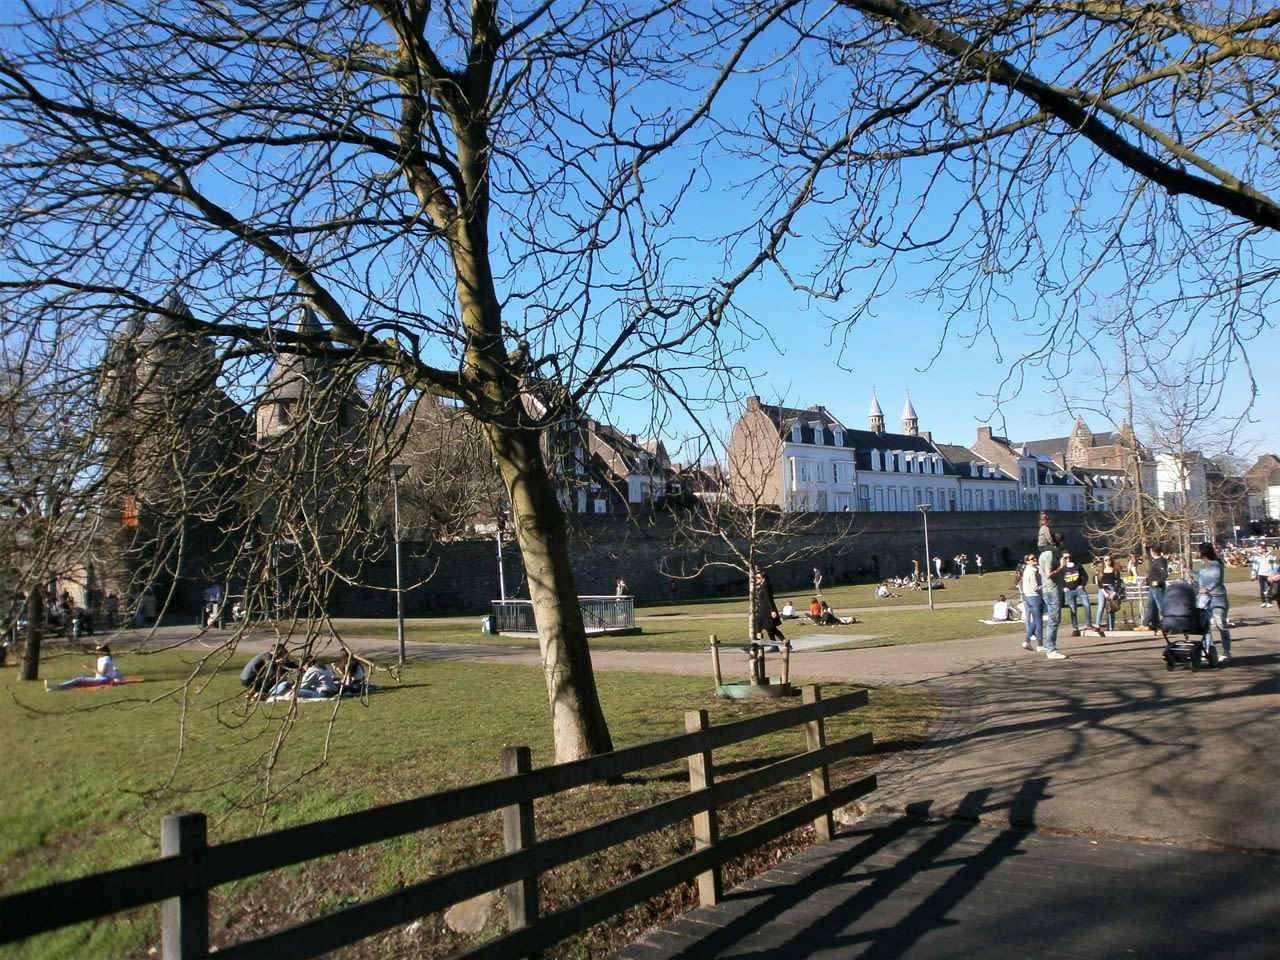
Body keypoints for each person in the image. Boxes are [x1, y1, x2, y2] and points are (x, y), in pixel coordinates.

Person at [1197, 542, 1233, 663]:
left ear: (1204, 551)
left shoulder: (1216, 564)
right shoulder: (1202, 564)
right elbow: (1201, 578)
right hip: (1204, 598)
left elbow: (1216, 579)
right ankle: (1206, 650)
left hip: (1218, 598)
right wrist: (1189, 572)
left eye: (1199, 550)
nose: (1197, 552)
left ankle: (1227, 651)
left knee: (1220, 623)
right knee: (1204, 626)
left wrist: (1208, 589)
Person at [45, 644, 125, 691]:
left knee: (79, 680)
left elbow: (103, 674)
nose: (96, 652)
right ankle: (55, 688)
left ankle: (57, 687)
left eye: (97, 650)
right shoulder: (101, 658)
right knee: (78, 683)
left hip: (104, 680)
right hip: (102, 679)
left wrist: (91, 667)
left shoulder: (106, 659)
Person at [1038, 534, 1067, 659]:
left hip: (1048, 589)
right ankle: (1051, 649)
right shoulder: (1050, 555)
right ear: (1060, 543)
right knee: (1054, 620)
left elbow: (1041, 572)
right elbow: (1049, 574)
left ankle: (1051, 647)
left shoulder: (1043, 554)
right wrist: (1062, 567)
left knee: (1054, 619)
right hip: (1052, 590)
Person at [1137, 543, 1169, 632]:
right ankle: (1145, 624)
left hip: (1158, 588)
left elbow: (1165, 574)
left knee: (1161, 607)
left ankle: (1166, 626)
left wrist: (1158, 582)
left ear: (1154, 552)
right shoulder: (1154, 560)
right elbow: (1149, 555)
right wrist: (1146, 547)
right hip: (1152, 588)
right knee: (1150, 606)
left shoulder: (1161, 561)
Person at [1059, 548, 1089, 637]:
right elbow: (1059, 580)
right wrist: (1063, 588)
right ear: (1063, 559)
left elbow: (1085, 576)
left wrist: (1082, 585)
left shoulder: (1078, 565)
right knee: (1073, 610)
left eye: (1069, 557)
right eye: (1065, 558)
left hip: (1078, 589)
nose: (1068, 559)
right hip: (1069, 591)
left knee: (1086, 605)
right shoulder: (1062, 568)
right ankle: (1075, 628)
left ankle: (1088, 624)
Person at [752, 569, 785, 644]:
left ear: (763, 578)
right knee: (770, 628)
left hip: (765, 610)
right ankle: (779, 644)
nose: (756, 579)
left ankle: (756, 645)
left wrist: (772, 610)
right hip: (762, 609)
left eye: (758, 578)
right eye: (755, 578)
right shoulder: (761, 586)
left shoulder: (765, 586)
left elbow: (768, 599)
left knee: (759, 625)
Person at [1020, 554, 1044, 652]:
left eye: (1035, 558)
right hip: (1034, 597)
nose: (1035, 559)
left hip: (1028, 598)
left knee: (1035, 620)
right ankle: (1040, 644)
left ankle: (1027, 640)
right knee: (1039, 622)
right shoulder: (1031, 572)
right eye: (1032, 559)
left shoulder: (1028, 570)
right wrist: (1045, 586)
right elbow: (1035, 588)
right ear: (1027, 561)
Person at [1093, 554, 1120, 634]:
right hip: (1102, 590)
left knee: (1111, 609)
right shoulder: (1101, 571)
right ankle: (1097, 626)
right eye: (1105, 560)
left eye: (1109, 560)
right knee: (1100, 608)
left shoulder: (1115, 570)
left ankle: (1111, 627)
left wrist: (1114, 593)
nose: (1107, 561)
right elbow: (1099, 583)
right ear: (1103, 561)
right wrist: (1104, 592)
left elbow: (1118, 583)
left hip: (1111, 589)